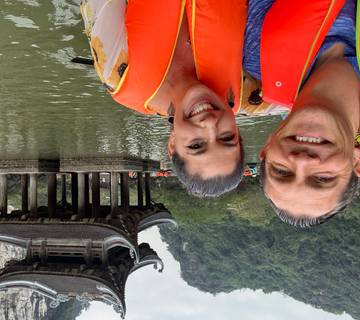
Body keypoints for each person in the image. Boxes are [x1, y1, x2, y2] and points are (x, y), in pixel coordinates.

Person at [80, 0, 286, 197]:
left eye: (196, 145)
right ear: (237, 132)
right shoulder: (255, 92)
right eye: (226, 138)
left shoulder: (118, 72)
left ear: (172, 145)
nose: (210, 124)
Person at [248, 0, 360, 227]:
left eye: (282, 171)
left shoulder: (257, 52)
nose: (302, 161)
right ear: (356, 163)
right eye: (322, 178)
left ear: (268, 147)